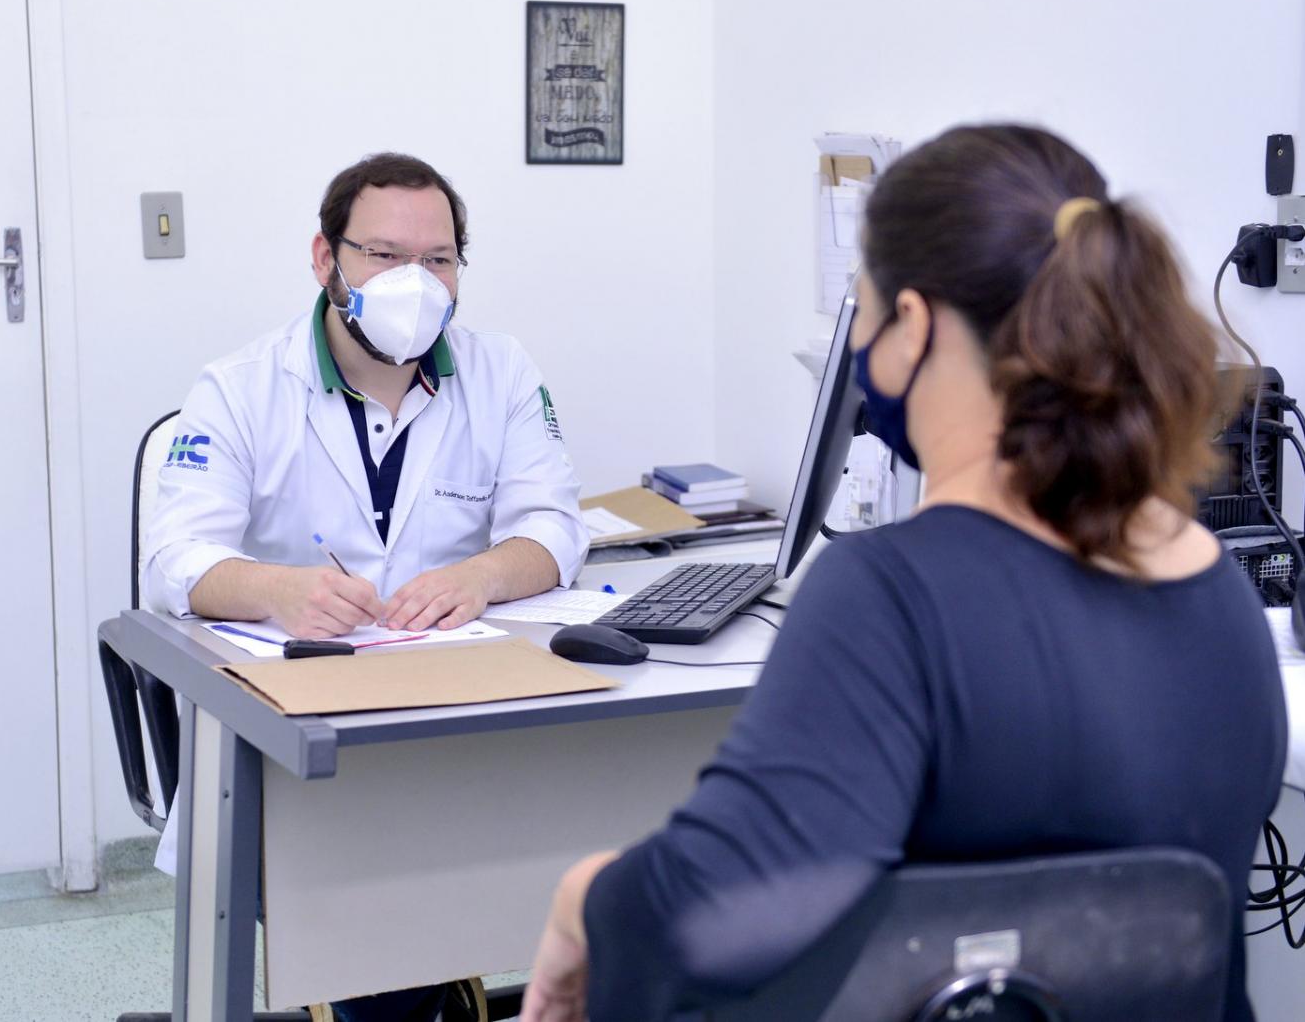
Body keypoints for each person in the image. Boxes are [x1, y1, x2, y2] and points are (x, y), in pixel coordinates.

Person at [521, 124, 1286, 1022]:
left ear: (913, 324)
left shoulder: (893, 596)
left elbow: (714, 914)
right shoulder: (1222, 596)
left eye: (865, 308)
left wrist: (581, 897)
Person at [144, 152, 589, 1022]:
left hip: (462, 719)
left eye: (439, 259)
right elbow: (173, 562)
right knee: (377, 939)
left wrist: (482, 574)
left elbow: (556, 530)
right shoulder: (238, 390)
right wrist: (277, 590)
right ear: (326, 260)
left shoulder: (501, 373)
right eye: (384, 255)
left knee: (581, 869)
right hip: (294, 741)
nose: (414, 282)